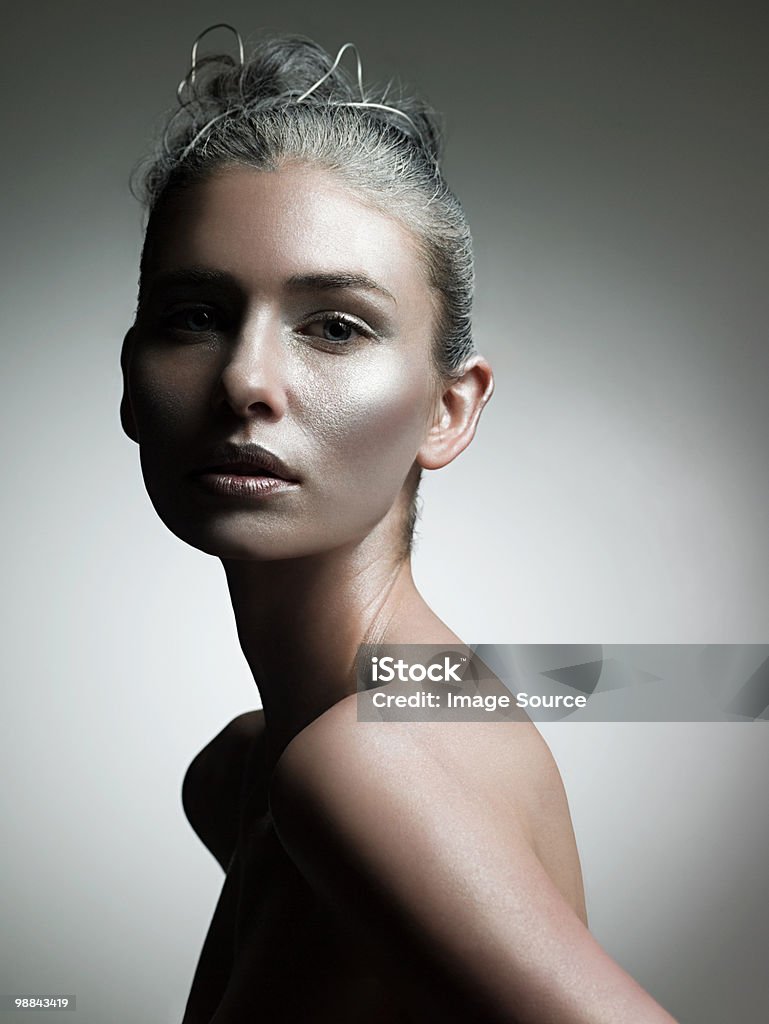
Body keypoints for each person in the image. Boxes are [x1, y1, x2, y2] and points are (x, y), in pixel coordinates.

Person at [119, 24, 679, 1023]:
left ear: (445, 409)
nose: (246, 379)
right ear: (129, 379)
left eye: (334, 324)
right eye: (194, 315)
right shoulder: (249, 770)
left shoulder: (359, 769)